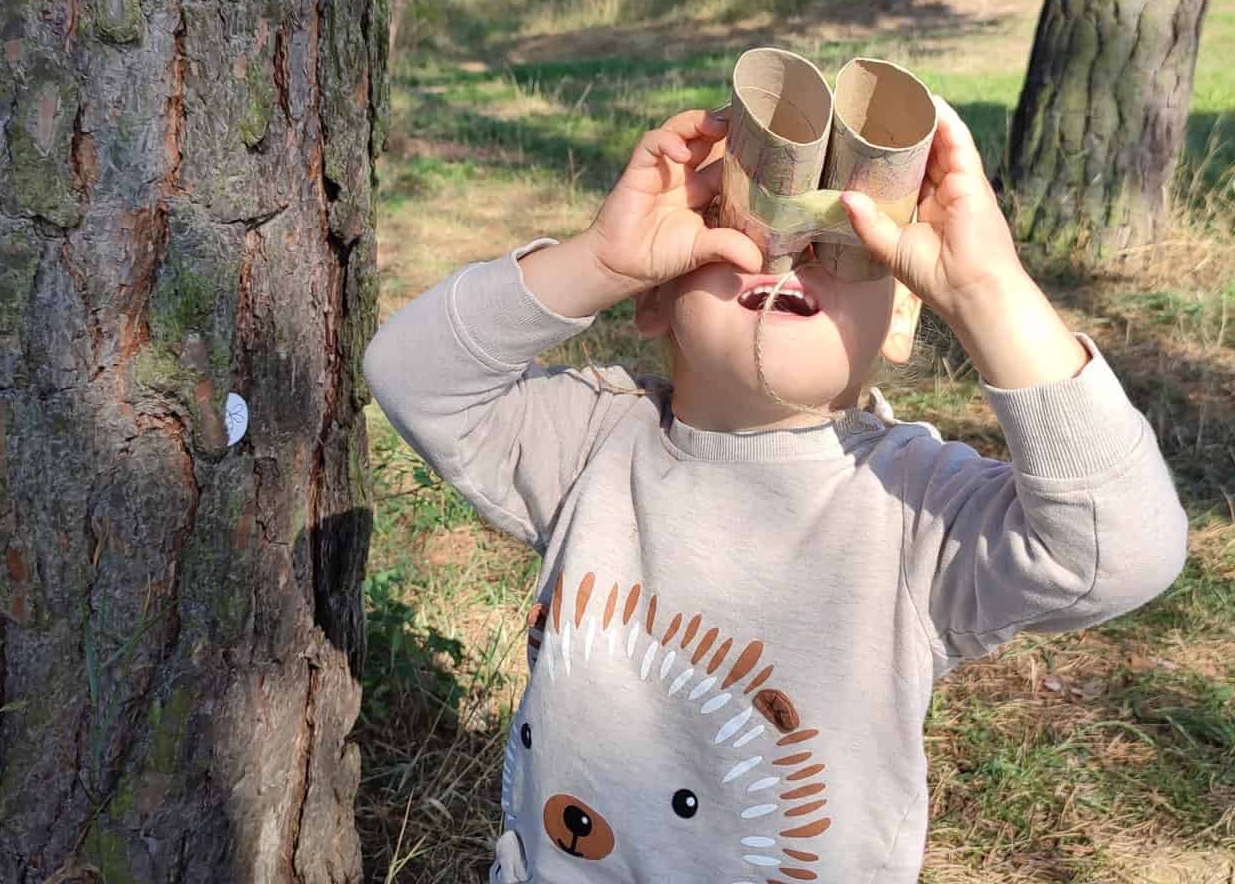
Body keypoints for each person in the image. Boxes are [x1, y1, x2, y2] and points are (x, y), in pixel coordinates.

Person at [364, 101, 1188, 881]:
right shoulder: (594, 442)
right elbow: (410, 374)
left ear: (904, 319)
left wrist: (985, 290)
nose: (787, 252)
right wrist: (598, 258)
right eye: (738, 223)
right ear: (655, 295)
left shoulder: (912, 508)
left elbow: (1121, 549)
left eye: (850, 244)